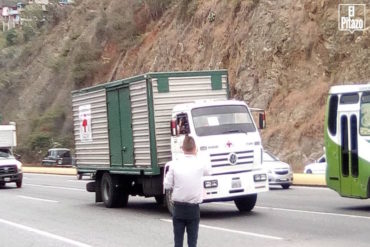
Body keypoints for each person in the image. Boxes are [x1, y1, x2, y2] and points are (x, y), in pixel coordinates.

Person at [164, 135, 211, 247]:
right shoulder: (200, 163)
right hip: (193, 209)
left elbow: (167, 185)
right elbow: (209, 171)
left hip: (178, 208)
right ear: (195, 148)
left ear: (182, 148)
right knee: (192, 242)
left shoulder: (174, 164)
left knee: (178, 242)